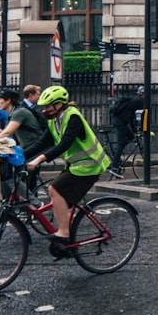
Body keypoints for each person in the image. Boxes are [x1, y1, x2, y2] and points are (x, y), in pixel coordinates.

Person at [24, 85, 111, 258]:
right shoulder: (53, 120)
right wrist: (20, 156)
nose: (45, 110)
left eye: (48, 106)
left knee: (54, 189)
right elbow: (42, 142)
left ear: (58, 105)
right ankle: (68, 241)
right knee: (62, 197)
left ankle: (63, 233)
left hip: (90, 165)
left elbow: (64, 144)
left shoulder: (73, 117)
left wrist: (40, 159)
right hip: (76, 166)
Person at [109, 86, 145, 178]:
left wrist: (134, 130)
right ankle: (114, 167)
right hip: (120, 122)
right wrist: (135, 129)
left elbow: (131, 116)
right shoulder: (139, 102)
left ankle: (117, 155)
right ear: (142, 94)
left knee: (131, 137)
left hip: (120, 121)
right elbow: (133, 117)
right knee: (121, 144)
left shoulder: (135, 100)